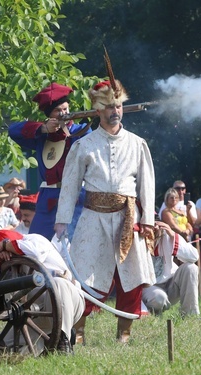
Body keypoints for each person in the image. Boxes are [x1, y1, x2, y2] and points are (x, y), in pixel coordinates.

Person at [54, 79, 156, 344]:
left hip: (128, 218)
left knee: (131, 279)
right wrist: (62, 221)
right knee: (84, 275)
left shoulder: (137, 144)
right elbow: (70, 185)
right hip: (93, 218)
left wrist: (148, 221)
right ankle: (78, 332)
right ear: (98, 110)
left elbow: (147, 185)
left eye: (119, 106)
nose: (115, 111)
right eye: (110, 106)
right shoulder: (83, 146)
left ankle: (124, 334)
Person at [0, 228, 85, 353]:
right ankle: (45, 345)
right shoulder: (4, 262)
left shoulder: (35, 239)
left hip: (69, 303)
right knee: (3, 350)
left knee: (58, 284)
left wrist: (5, 245)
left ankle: (63, 341)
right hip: (35, 314)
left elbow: (35, 252)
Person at [9, 83, 91, 239]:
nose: (63, 114)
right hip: (49, 197)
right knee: (36, 242)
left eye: (65, 109)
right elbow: (13, 131)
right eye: (58, 111)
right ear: (50, 114)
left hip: (76, 196)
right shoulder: (42, 135)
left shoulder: (80, 131)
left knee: (79, 244)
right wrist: (43, 129)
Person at [142, 221, 200, 317]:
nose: (155, 228)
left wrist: (173, 235)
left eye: (156, 223)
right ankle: (152, 312)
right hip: (149, 288)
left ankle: (190, 315)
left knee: (191, 268)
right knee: (160, 298)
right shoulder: (138, 239)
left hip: (170, 285)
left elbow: (194, 257)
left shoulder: (168, 236)